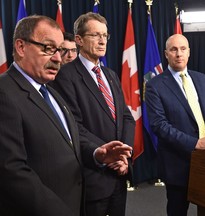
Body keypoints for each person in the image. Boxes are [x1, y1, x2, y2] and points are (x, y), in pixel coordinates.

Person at [0, 15, 132, 216]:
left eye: (59, 50)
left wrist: (98, 154)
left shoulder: (50, 92)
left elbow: (70, 141)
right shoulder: (5, 92)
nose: (57, 58)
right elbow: (11, 171)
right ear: (21, 47)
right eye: (48, 48)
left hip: (75, 200)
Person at [50, 12, 135, 216]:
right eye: (95, 35)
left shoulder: (111, 75)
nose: (102, 40)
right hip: (93, 176)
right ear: (78, 39)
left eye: (105, 35)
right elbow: (73, 126)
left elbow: (126, 118)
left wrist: (123, 157)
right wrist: (108, 156)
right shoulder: (65, 76)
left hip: (119, 175)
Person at [145, 34, 205, 216]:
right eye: (174, 49)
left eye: (183, 49)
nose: (179, 54)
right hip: (178, 163)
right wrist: (195, 143)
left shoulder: (202, 79)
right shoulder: (154, 85)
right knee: (177, 211)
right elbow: (159, 125)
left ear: (189, 52)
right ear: (166, 54)